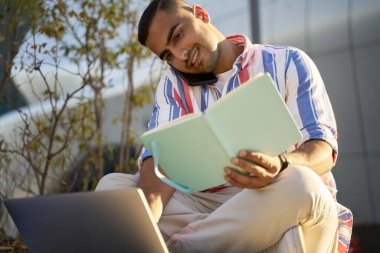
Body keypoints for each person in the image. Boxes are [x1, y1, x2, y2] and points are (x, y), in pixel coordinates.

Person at [96, 0, 353, 252]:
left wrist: (280, 165)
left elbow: (322, 149)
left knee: (303, 184)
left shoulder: (287, 61)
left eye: (177, 36)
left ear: (201, 14)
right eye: (167, 55)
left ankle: (182, 247)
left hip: (274, 191)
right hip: (210, 204)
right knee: (113, 189)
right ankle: (206, 239)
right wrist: (147, 213)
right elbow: (159, 158)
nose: (180, 56)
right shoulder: (173, 83)